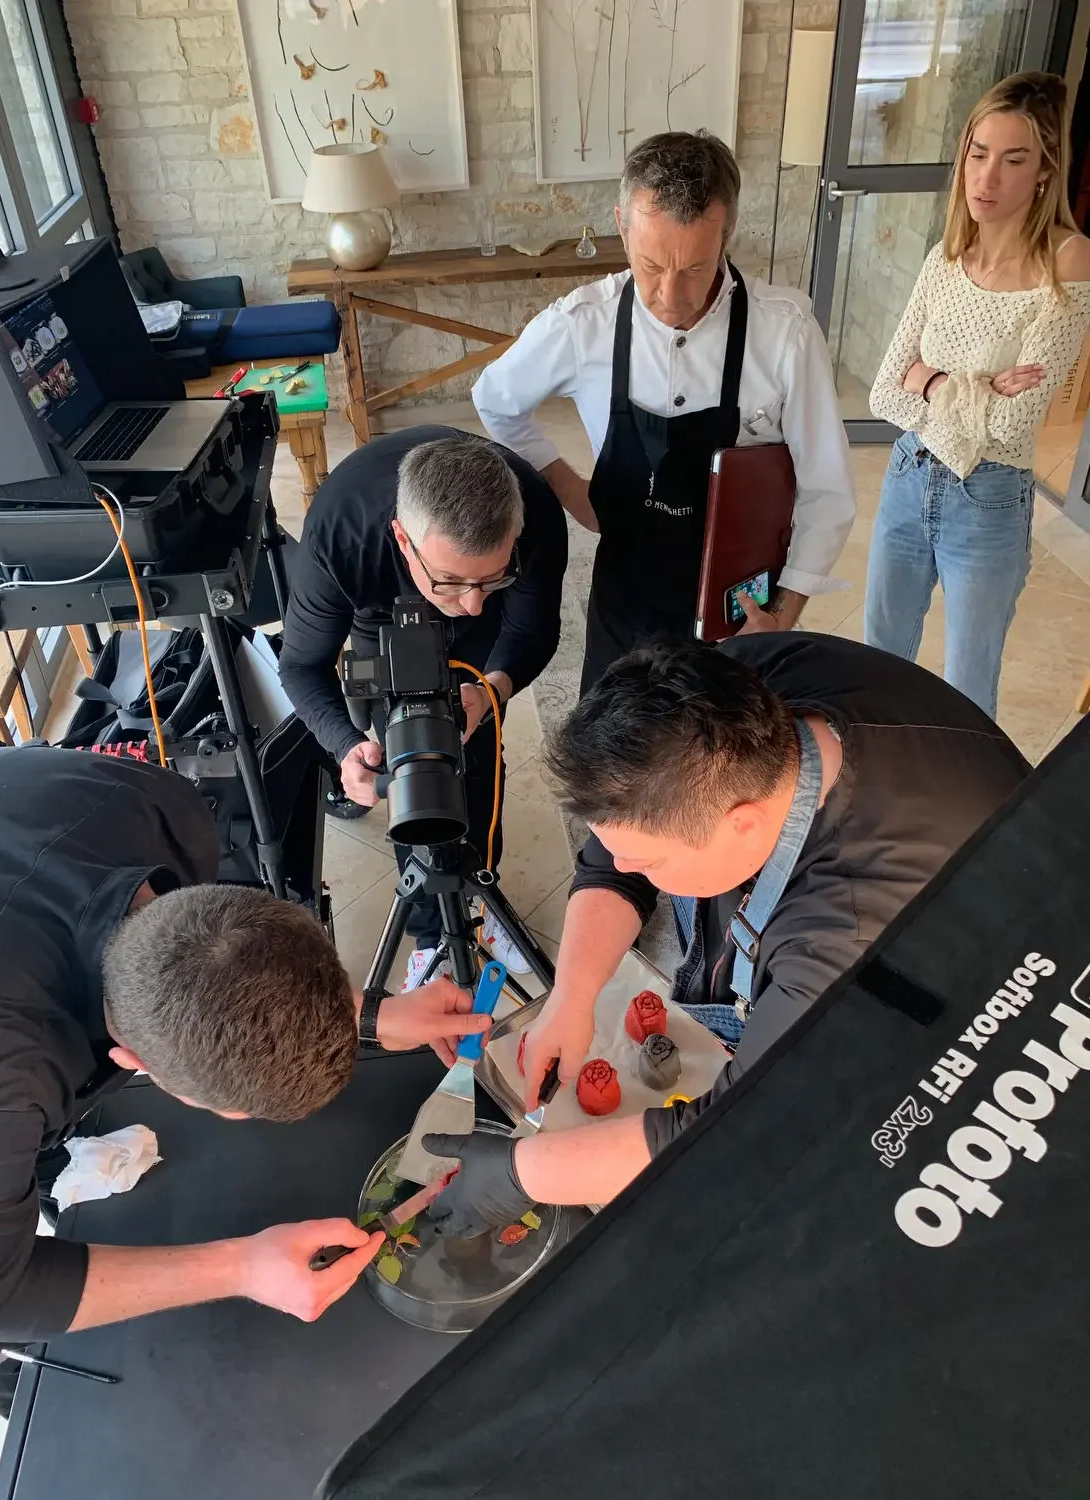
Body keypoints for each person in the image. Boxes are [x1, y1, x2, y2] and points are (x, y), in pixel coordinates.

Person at [419, 634, 1029, 1235]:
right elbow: (613, 853)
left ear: (741, 826)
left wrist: (521, 1174)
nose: (624, 867)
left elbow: (741, 1127)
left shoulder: (846, 931)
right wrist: (572, 999)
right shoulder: (727, 688)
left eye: (649, 864)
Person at [0, 746, 495, 1416]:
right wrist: (239, 1266)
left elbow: (221, 962)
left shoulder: (170, 816)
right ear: (135, 1065)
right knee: (39, 1386)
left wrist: (371, 1014)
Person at [472, 130, 856, 692]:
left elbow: (827, 491)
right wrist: (569, 487)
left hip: (736, 614)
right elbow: (495, 399)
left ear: (727, 236)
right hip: (623, 603)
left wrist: (781, 616)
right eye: (651, 267)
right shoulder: (584, 324)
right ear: (622, 225)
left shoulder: (786, 332)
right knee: (611, 767)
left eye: (696, 269)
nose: (672, 297)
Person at [279, 427, 567, 986]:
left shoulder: (535, 516)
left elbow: (531, 631)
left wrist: (491, 691)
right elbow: (300, 666)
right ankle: (432, 937)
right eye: (454, 581)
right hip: (380, 614)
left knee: (472, 748)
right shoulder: (341, 537)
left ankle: (479, 902)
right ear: (403, 538)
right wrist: (345, 747)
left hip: (471, 632)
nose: (473, 602)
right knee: (402, 757)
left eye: (493, 577)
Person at [865, 71, 1090, 719]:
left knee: (968, 686)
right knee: (880, 657)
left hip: (988, 500)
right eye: (978, 153)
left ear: (1045, 172)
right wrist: (972, 389)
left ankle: (967, 814)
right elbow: (885, 389)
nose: (987, 178)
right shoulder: (945, 257)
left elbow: (1013, 425)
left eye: (1014, 160)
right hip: (908, 478)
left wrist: (931, 380)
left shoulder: (1066, 264)